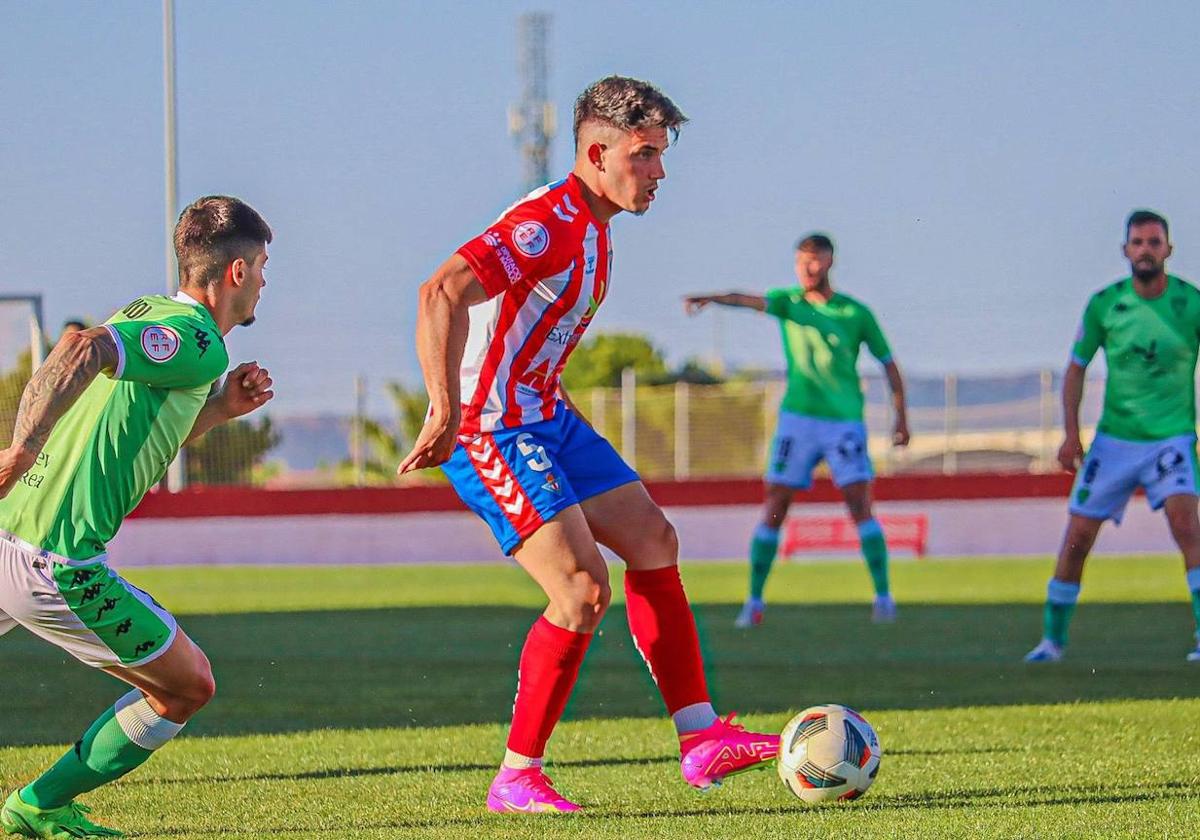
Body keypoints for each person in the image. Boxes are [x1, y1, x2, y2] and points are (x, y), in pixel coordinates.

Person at [400, 76, 779, 815]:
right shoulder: (549, 223)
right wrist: (445, 410)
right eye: (645, 155)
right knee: (580, 591)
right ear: (597, 151)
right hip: (492, 427)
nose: (659, 173)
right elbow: (439, 292)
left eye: (662, 155)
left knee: (653, 539)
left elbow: (530, 337)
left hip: (546, 417)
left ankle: (701, 738)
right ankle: (517, 776)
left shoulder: (596, 226)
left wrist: (562, 409)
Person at [0, 195, 275, 839]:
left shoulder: (146, 313)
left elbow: (136, 430)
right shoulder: (198, 339)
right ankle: (38, 805)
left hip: (6, 535)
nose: (264, 280)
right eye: (262, 264)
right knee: (188, 686)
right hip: (54, 561)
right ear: (236, 272)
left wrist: (218, 411)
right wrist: (23, 447)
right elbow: (79, 348)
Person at [684, 233, 909, 627]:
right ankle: (753, 602)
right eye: (801, 261)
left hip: (843, 423)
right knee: (776, 502)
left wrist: (901, 417)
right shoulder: (789, 303)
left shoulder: (855, 313)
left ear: (830, 261)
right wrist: (711, 298)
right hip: (798, 420)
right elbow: (745, 299)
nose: (807, 268)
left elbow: (889, 364)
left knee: (859, 504)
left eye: (814, 260)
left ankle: (883, 597)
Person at [1025, 209, 1200, 663]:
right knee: (1077, 538)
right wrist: (1069, 434)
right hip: (1114, 441)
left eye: (1154, 242)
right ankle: (1051, 642)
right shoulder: (1104, 304)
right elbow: (1076, 367)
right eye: (1138, 242)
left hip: (1172, 439)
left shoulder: (1191, 302)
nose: (1146, 250)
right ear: (1126, 250)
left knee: (1189, 530)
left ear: (1169, 250)